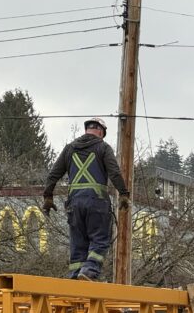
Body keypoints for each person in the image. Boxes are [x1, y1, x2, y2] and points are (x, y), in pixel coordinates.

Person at [43, 117, 130, 281]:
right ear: (100, 131)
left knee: (78, 241)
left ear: (86, 130)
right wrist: (124, 194)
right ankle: (89, 270)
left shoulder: (69, 149)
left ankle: (75, 275)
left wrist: (48, 197)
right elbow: (115, 172)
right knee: (100, 238)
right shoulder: (103, 147)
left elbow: (53, 174)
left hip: (74, 203)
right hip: (96, 201)